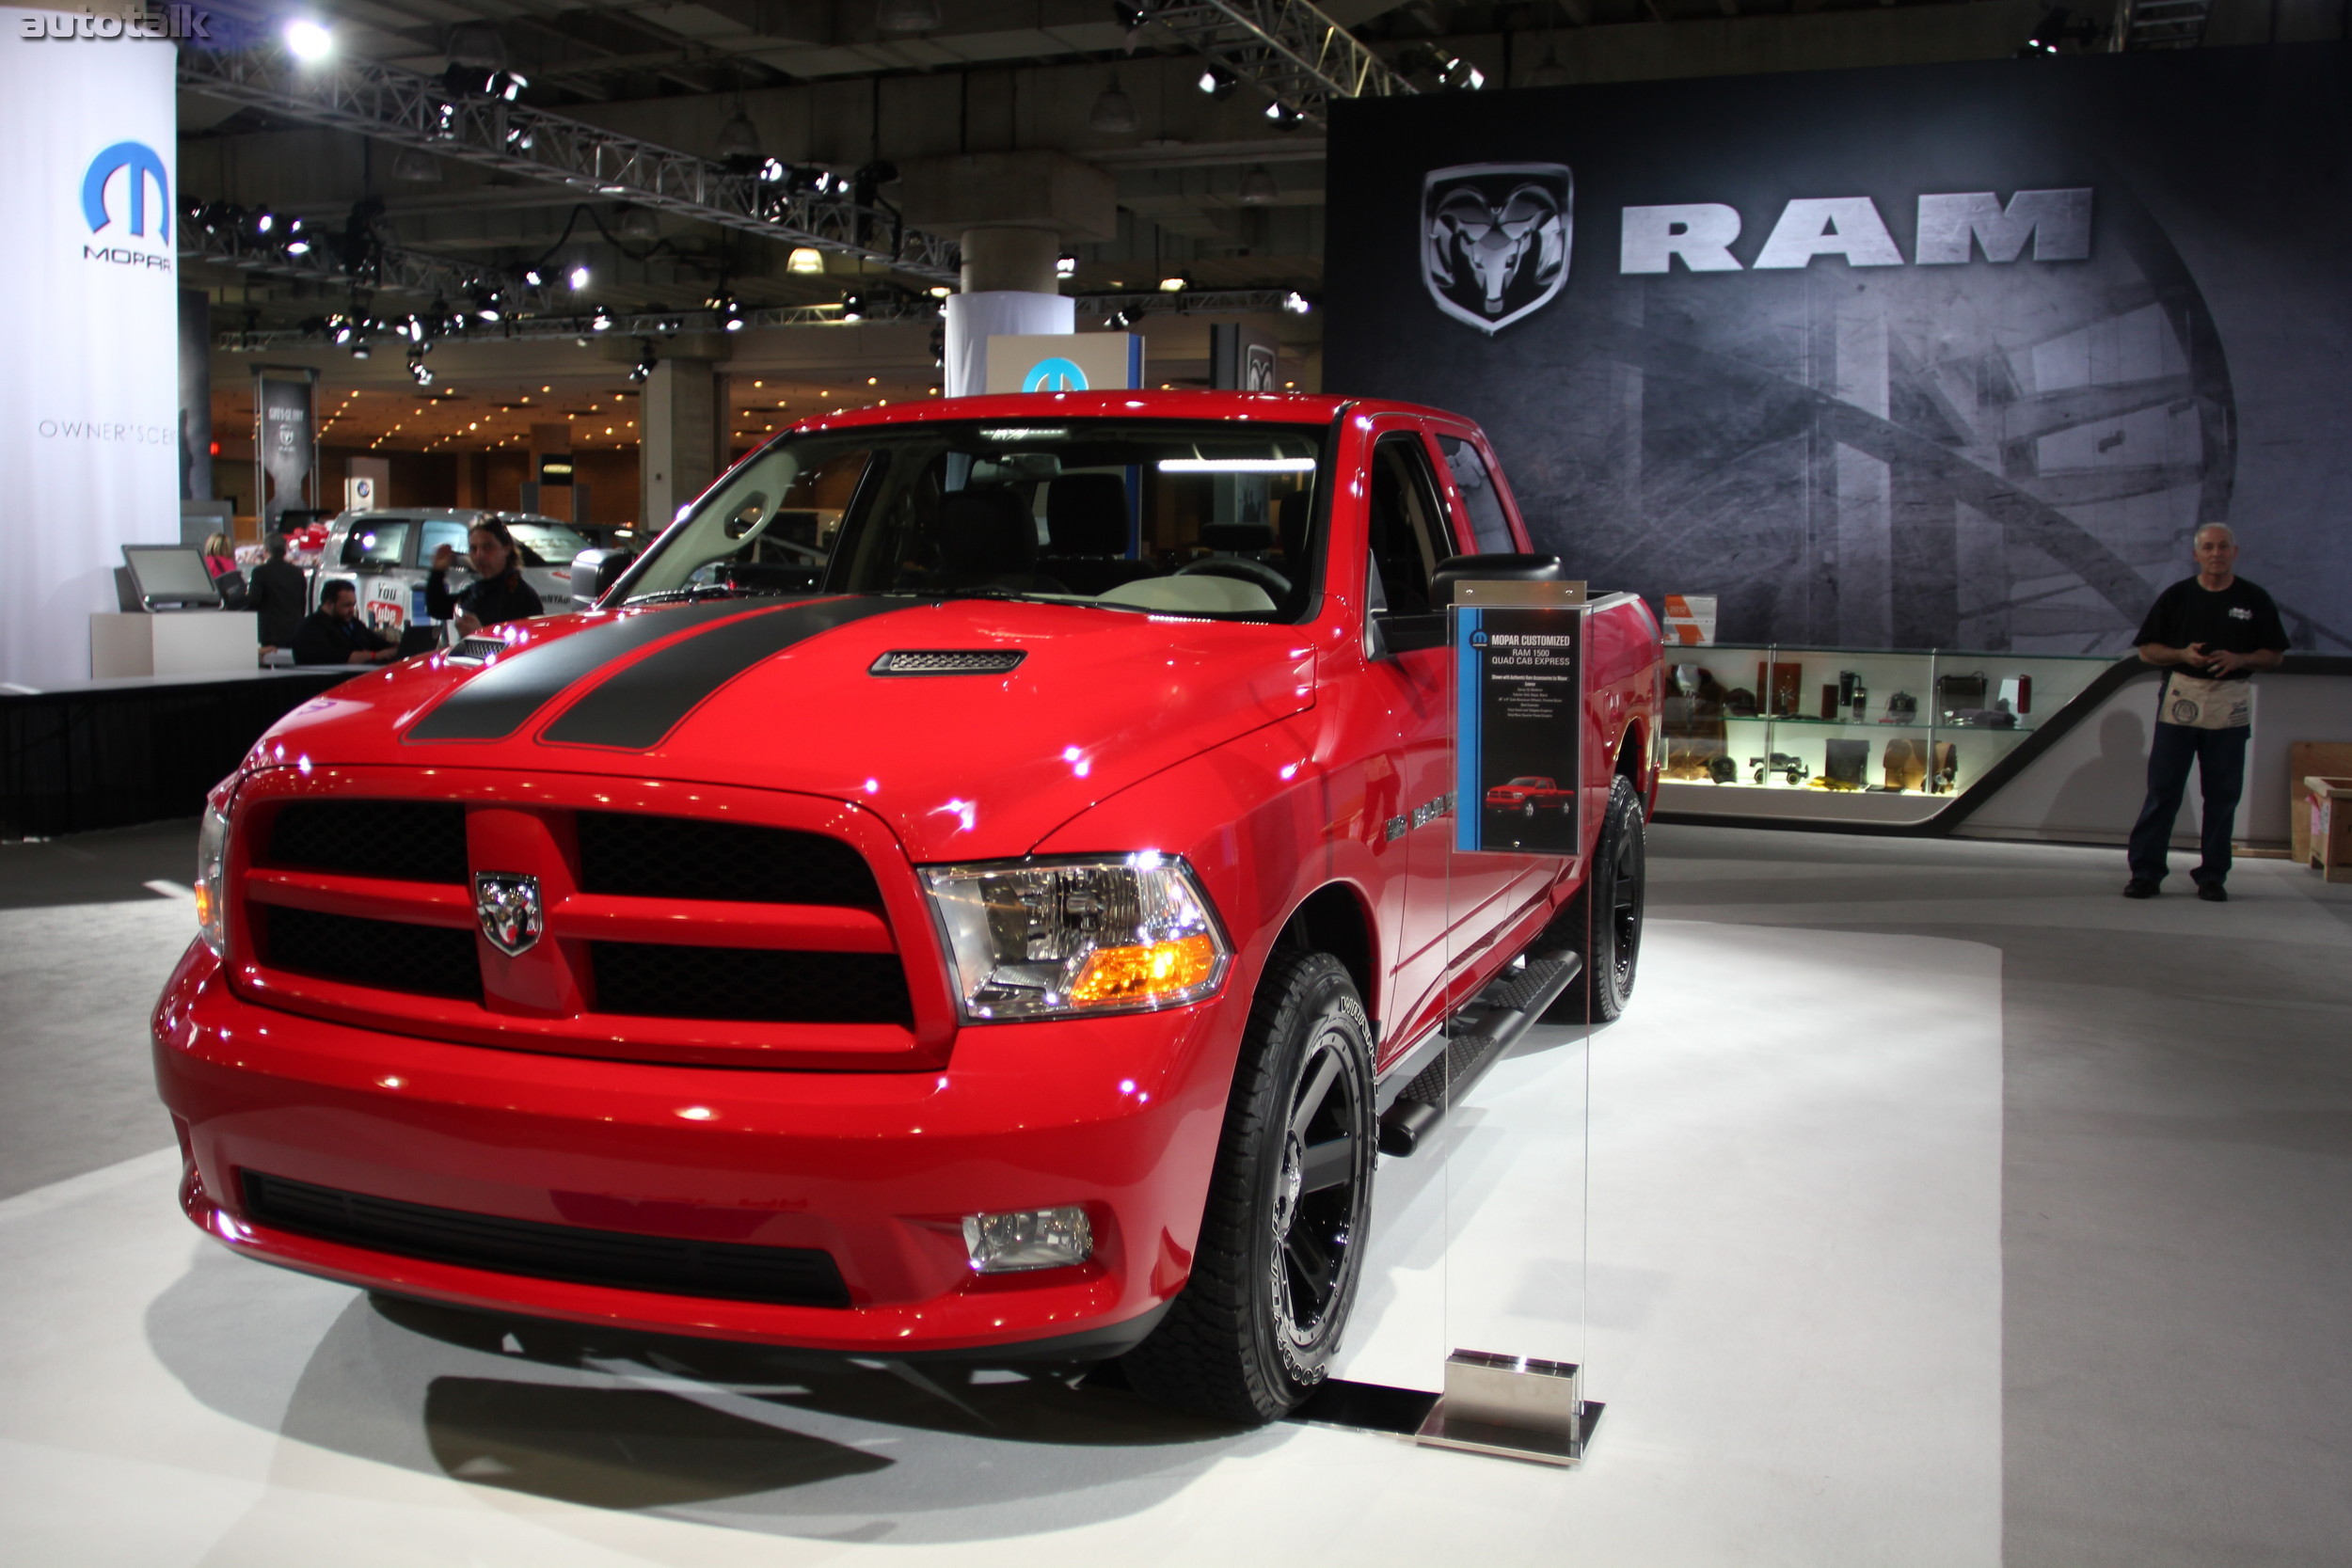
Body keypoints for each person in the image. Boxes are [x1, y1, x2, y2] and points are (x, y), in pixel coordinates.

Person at [2123, 522, 2289, 902]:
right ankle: (2146, 872)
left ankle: (2212, 875)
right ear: (2196, 555)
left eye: (2223, 547)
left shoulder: (2254, 599)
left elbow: (2275, 654)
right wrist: (2182, 654)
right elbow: (2147, 650)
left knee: (2222, 794)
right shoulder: (2177, 597)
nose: (2216, 554)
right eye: (2209, 548)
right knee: (2163, 791)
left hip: (2229, 703)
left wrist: (2240, 658)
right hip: (2182, 698)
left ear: (2235, 552)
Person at [427, 515, 544, 635]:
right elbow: (438, 609)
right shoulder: (479, 590)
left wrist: (482, 634)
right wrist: (438, 571)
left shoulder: (522, 596)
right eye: (474, 548)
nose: (479, 555)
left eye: (488, 547)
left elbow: (528, 647)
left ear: (507, 549)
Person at [292, 579, 400, 667]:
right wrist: (375, 656)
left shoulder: (354, 624)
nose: (352, 610)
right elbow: (338, 657)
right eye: (346, 605)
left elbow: (379, 644)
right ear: (329, 604)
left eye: (353, 605)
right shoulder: (310, 627)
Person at [246, 532, 309, 652]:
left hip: (270, 633)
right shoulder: (297, 572)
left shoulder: (260, 572)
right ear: (285, 551)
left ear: (265, 550)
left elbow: (254, 601)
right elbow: (302, 603)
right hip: (294, 630)